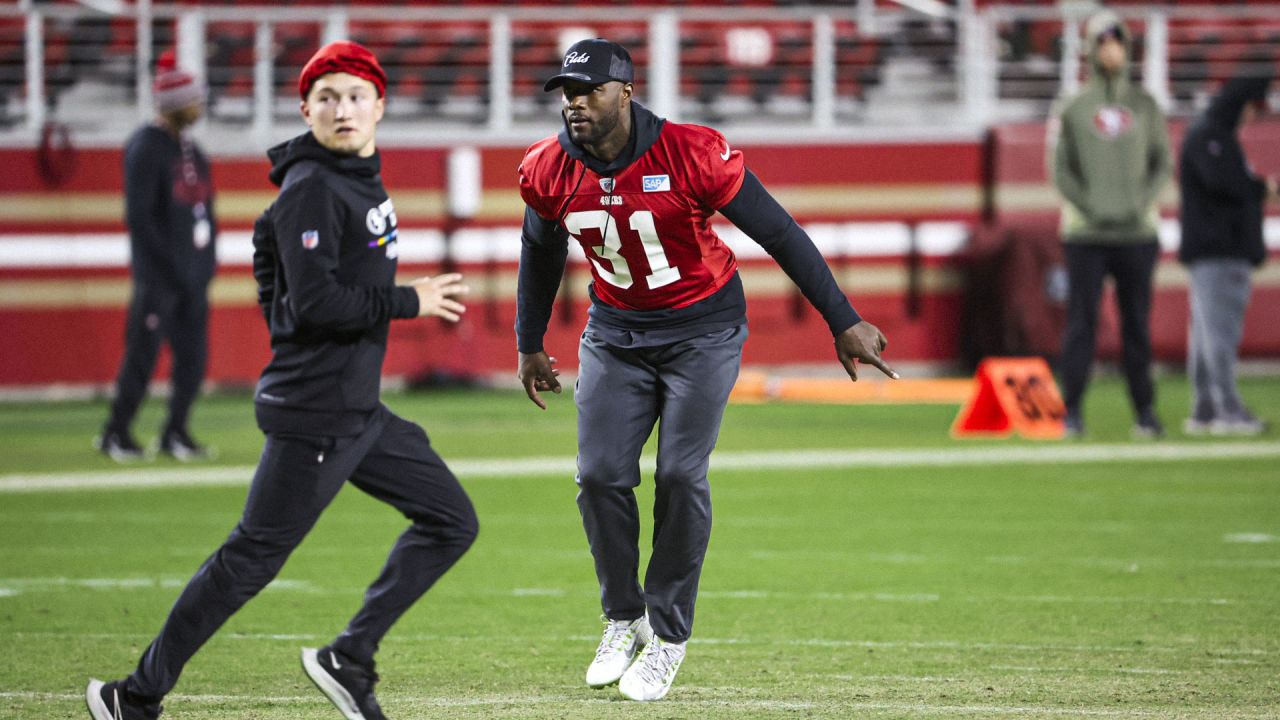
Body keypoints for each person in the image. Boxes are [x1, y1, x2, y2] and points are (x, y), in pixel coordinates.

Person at [86, 41, 478, 720]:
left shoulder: (355, 176)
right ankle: (135, 695)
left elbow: (281, 279)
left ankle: (348, 658)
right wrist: (406, 301)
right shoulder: (314, 188)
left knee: (451, 521)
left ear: (380, 106)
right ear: (307, 109)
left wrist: (284, 296)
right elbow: (319, 302)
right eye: (327, 98)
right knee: (250, 560)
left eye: (356, 95)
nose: (343, 108)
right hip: (316, 414)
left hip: (359, 412)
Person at [515, 38, 896, 702]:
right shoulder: (548, 169)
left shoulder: (689, 152)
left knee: (682, 473)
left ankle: (667, 635)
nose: (575, 105)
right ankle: (622, 616)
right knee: (600, 475)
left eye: (589, 91)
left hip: (703, 329)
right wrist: (529, 342)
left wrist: (842, 319)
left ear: (625, 93)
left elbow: (778, 231)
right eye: (567, 94)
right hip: (615, 333)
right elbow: (538, 251)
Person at [1048, 10, 1172, 440]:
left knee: (1137, 325)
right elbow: (1061, 170)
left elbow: (1162, 164)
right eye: (1103, 41)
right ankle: (1073, 411)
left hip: (1138, 233)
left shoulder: (1145, 104)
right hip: (1086, 234)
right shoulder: (1075, 106)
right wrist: (1094, 206)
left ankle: (1146, 412)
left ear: (1128, 48)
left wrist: (1137, 203)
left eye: (1117, 41)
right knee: (1081, 324)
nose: (1111, 49)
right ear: (1090, 49)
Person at [96, 51, 217, 462]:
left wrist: (205, 266)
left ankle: (175, 432)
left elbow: (207, 213)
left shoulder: (193, 152)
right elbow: (140, 218)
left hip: (193, 278)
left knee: (193, 360)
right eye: (193, 99)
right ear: (174, 103)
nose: (200, 105)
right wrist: (173, 268)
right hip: (159, 277)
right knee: (142, 356)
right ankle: (116, 431)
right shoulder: (146, 148)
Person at [1178, 73, 1275, 436]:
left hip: (1215, 249)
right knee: (1219, 334)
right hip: (1220, 248)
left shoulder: (1211, 135)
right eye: (1253, 109)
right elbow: (1224, 184)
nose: (1253, 119)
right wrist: (1260, 188)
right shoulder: (1212, 136)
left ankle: (1205, 407)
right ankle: (1226, 409)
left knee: (1206, 334)